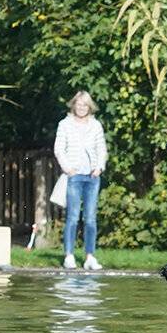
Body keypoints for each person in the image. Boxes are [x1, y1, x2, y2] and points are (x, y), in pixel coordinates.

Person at [54, 91, 107, 270]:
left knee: (90, 218)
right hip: (74, 176)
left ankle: (89, 256)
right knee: (73, 217)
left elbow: (102, 149)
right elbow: (59, 149)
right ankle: (69, 255)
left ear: (89, 107)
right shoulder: (65, 124)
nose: (82, 108)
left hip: (92, 177)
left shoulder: (96, 125)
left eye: (85, 105)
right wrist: (68, 168)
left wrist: (99, 167)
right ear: (73, 105)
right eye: (79, 104)